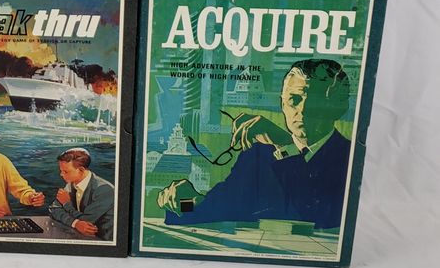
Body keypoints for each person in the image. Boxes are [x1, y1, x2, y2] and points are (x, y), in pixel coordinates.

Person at [157, 59, 353, 229]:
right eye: (294, 99)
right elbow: (216, 208)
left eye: (316, 101)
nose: (302, 110)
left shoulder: (349, 157)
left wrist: (285, 143)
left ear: (340, 107)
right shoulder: (257, 153)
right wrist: (183, 202)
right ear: (282, 104)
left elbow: (318, 217)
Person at [48, 148, 115, 240]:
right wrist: (75, 223)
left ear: (81, 170)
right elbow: (54, 209)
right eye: (61, 171)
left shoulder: (104, 189)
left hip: (102, 239)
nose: (61, 174)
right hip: (81, 236)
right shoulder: (71, 184)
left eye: (65, 171)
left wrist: (66, 204)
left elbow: (87, 221)